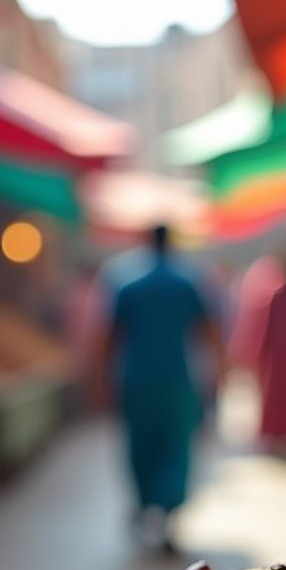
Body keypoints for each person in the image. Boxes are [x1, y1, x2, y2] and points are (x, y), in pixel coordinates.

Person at [95, 225, 223, 550]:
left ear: (147, 241)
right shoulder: (186, 283)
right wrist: (220, 373)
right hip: (176, 381)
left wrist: (99, 380)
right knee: (175, 446)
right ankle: (167, 516)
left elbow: (109, 337)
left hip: (137, 380)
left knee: (141, 446)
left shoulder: (128, 285)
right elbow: (208, 332)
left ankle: (144, 504)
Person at [232, 252, 286, 451]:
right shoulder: (280, 298)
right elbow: (267, 331)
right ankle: (278, 438)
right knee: (278, 400)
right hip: (281, 360)